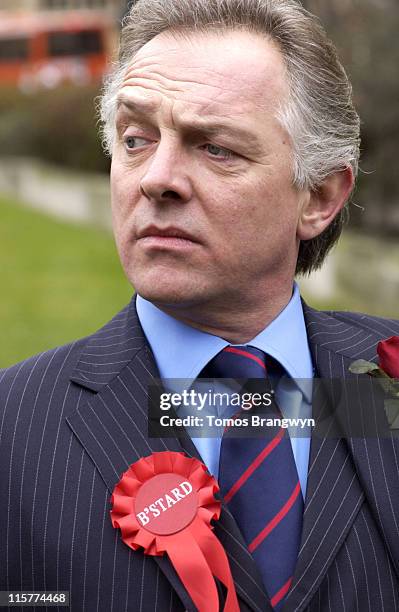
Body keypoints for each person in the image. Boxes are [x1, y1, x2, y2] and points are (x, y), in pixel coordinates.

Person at [1, 0, 398, 610]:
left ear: (318, 196)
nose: (156, 178)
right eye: (135, 139)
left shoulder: (384, 379)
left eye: (215, 148)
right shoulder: (14, 425)